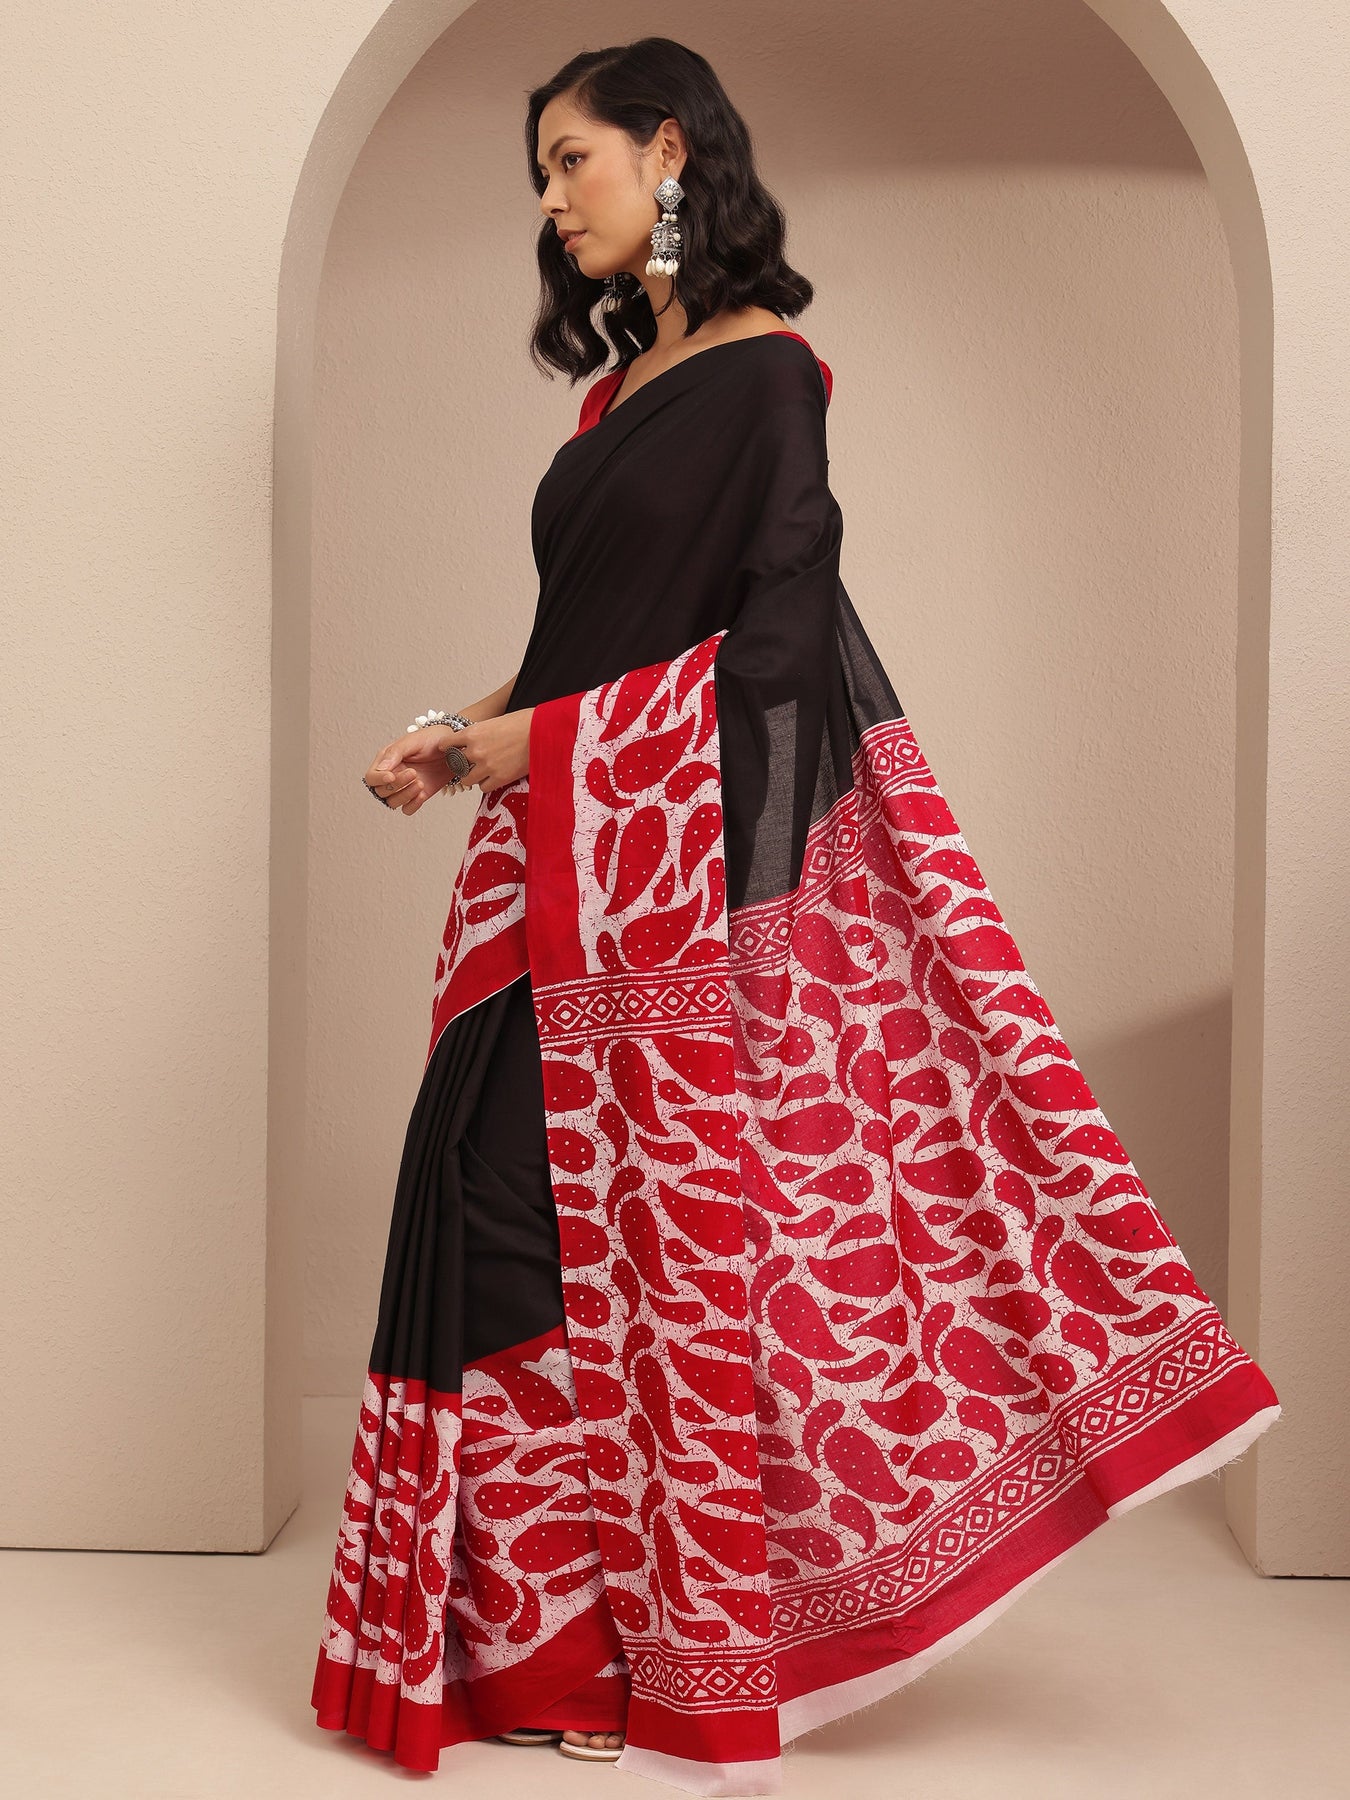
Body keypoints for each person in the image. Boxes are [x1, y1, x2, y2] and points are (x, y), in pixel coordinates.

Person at [310, 36, 1281, 1799]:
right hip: (548, 860)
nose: (550, 200)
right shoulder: (616, 395)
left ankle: (608, 1652)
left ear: (669, 151)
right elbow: (573, 650)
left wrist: (529, 748)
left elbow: (766, 658)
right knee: (490, 1204)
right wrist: (457, 739)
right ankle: (534, 1644)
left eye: (571, 160)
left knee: (553, 1224)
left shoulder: (766, 381)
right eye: (541, 172)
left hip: (646, 882)